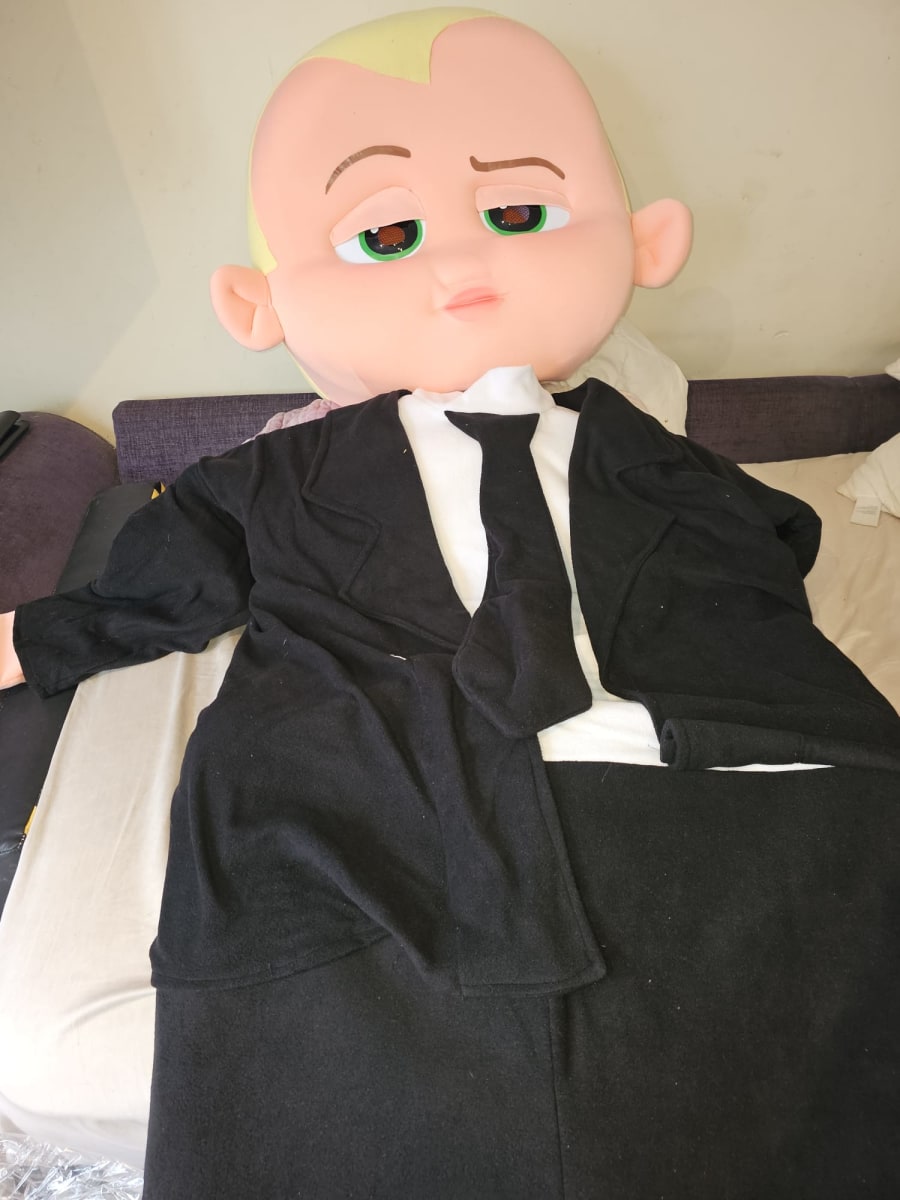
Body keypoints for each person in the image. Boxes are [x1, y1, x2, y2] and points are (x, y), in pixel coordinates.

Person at [3, 10, 900, 1197]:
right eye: (387, 234)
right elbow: (161, 583)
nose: (460, 263)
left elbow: (769, 556)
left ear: (645, 240)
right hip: (377, 802)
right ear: (259, 302)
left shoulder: (659, 457)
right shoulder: (273, 473)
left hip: (686, 783)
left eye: (519, 213)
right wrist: (31, 639)